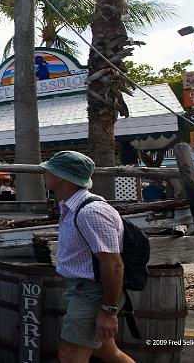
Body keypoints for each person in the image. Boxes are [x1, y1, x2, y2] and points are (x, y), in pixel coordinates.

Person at [41, 151, 134, 363]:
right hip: (83, 290)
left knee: (70, 355)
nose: (45, 173)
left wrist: (108, 311)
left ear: (62, 177)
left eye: (50, 170)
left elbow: (113, 265)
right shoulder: (72, 207)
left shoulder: (90, 212)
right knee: (106, 351)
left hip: (91, 293)